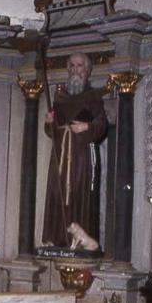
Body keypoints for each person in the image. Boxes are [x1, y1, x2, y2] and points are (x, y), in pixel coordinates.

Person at [42, 52, 108, 247]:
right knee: (57, 193)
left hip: (81, 158)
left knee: (79, 193)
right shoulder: (60, 98)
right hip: (60, 157)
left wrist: (87, 127)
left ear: (87, 70)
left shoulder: (93, 98)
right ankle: (58, 239)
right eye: (72, 66)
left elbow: (102, 125)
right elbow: (52, 131)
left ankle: (79, 241)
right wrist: (50, 122)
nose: (75, 70)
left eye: (79, 66)